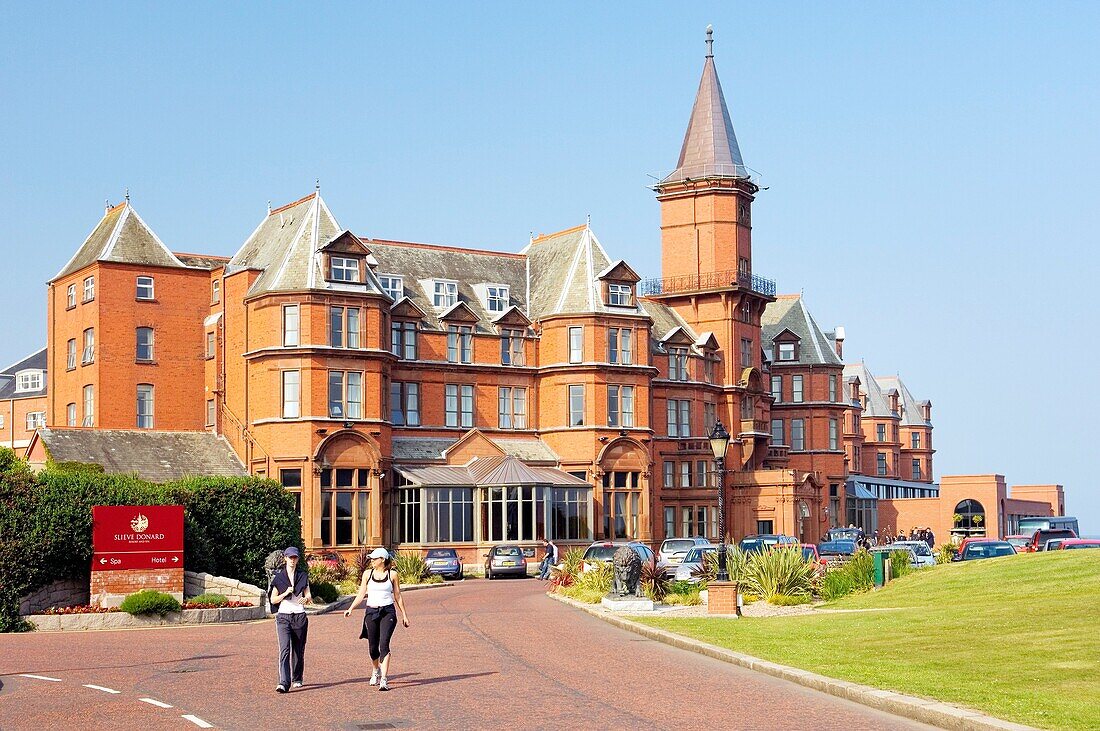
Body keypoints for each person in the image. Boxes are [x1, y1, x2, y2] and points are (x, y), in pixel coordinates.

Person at [344, 548, 410, 691]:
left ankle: (384, 680)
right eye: (371, 559)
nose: (372, 561)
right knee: (373, 648)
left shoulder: (392, 574)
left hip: (388, 612)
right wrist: (351, 608)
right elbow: (361, 594)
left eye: (374, 559)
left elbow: (398, 595)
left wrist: (404, 615)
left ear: (383, 559)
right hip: (371, 612)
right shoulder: (367, 574)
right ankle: (376, 670)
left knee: (384, 644)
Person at [270, 546, 312, 693]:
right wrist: (285, 593)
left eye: (295, 557)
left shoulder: (302, 576)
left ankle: (297, 677)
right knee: (285, 649)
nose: (292, 560)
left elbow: (308, 595)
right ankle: (283, 683)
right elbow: (273, 599)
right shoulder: (279, 578)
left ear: (298, 559)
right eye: (290, 557)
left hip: (299, 616)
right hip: (283, 617)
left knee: (298, 649)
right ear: (285, 559)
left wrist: (306, 599)